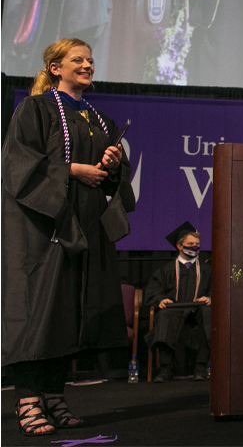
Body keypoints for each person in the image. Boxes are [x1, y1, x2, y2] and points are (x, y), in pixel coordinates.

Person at [2, 38, 134, 435]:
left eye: (91, 60)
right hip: (43, 229)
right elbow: (18, 166)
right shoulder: (35, 109)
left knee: (68, 314)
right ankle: (28, 399)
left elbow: (115, 178)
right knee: (37, 312)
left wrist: (111, 165)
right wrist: (72, 170)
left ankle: (55, 396)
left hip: (85, 226)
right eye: (78, 59)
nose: (87, 64)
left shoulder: (100, 119)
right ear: (56, 68)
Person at [144, 222, 212, 382]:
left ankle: (200, 367)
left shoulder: (206, 270)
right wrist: (161, 299)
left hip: (197, 312)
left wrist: (209, 298)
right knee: (164, 315)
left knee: (208, 313)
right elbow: (154, 292)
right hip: (174, 312)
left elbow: (215, 289)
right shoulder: (166, 270)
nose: (194, 247)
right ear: (179, 246)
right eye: (190, 244)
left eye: (197, 245)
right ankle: (165, 369)